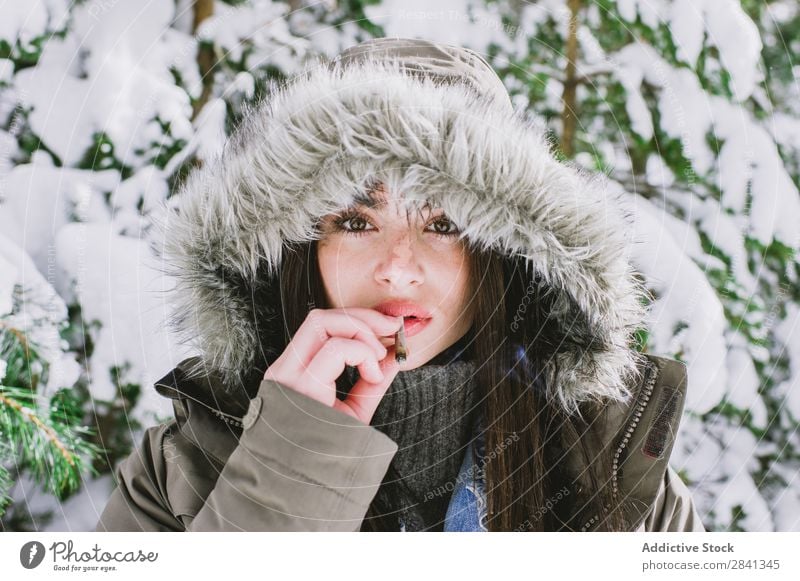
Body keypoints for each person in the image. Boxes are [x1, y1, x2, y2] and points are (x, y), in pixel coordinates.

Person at [96, 37, 705, 532]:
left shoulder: (619, 468)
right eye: (357, 222)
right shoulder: (181, 467)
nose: (398, 267)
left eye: (443, 224)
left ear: (502, 251)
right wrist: (290, 460)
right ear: (297, 247)